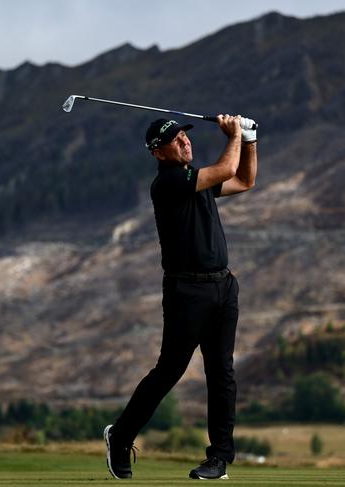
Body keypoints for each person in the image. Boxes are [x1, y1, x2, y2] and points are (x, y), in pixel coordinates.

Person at [104, 114, 258, 480]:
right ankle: (121, 436)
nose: (185, 141)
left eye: (184, 136)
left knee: (222, 373)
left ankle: (219, 458)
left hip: (223, 286)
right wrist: (235, 134)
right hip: (186, 291)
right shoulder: (170, 182)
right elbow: (225, 168)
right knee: (169, 370)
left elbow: (245, 180)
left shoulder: (197, 181)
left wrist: (250, 140)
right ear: (158, 153)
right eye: (175, 140)